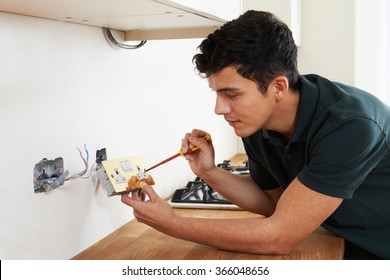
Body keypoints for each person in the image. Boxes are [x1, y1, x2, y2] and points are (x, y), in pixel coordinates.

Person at [121, 10, 390, 259]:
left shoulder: (349, 125)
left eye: (232, 94)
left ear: (278, 87)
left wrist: (172, 223)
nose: (219, 109)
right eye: (216, 93)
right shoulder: (258, 123)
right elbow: (274, 202)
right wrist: (209, 172)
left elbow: (279, 237)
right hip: (343, 237)